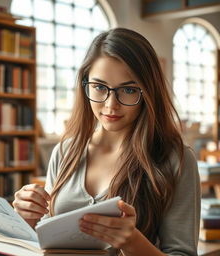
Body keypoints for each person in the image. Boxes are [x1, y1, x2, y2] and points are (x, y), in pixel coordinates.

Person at [13, 28, 201, 256]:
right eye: (100, 87)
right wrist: (26, 219)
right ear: (85, 85)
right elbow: (43, 241)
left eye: (129, 90)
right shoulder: (64, 152)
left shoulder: (176, 159)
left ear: (149, 92)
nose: (111, 105)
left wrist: (132, 241)